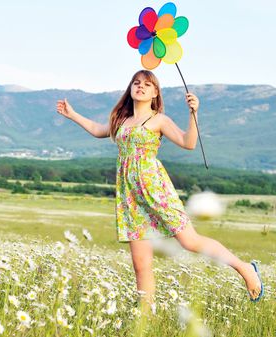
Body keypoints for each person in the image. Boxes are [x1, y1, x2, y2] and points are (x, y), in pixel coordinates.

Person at [56, 70, 263, 306]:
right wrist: (72, 114)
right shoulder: (121, 120)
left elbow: (189, 143)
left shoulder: (159, 120)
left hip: (155, 190)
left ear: (155, 92)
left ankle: (245, 269)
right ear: (130, 89)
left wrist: (194, 114)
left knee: (190, 241)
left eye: (147, 84)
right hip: (130, 196)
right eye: (136, 83)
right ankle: (145, 322)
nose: (140, 87)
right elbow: (97, 130)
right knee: (141, 264)